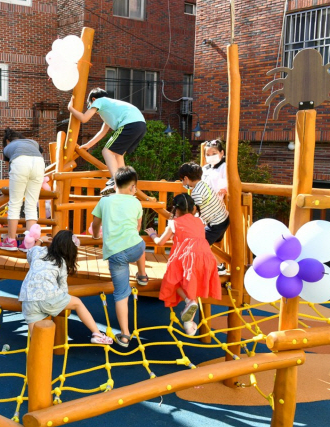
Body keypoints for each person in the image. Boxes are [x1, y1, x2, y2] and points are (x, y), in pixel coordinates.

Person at [145, 194, 221, 336]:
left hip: (187, 256)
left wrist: (152, 234)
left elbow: (160, 243)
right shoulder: (199, 221)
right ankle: (188, 324)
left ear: (175, 209)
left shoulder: (174, 223)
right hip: (205, 257)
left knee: (172, 280)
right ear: (193, 208)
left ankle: (188, 301)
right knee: (194, 285)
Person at [19, 230, 113, 344]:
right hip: (48, 297)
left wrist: (40, 240)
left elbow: (30, 251)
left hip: (27, 299)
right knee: (77, 303)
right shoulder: (61, 262)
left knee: (37, 341)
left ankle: (37, 358)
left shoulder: (38, 251)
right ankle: (97, 334)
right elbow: (63, 289)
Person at [90, 166, 147, 347]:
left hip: (116, 255)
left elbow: (96, 224)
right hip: (136, 249)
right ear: (132, 188)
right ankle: (143, 274)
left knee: (121, 293)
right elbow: (137, 228)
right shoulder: (136, 202)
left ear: (114, 185)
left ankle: (125, 334)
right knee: (139, 242)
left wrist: (96, 235)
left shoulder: (104, 201)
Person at [67, 88, 146, 196]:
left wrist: (70, 108)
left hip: (129, 123)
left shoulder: (99, 101)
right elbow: (103, 131)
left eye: (90, 105)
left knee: (106, 151)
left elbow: (84, 118)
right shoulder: (110, 108)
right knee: (118, 154)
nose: (91, 109)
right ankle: (124, 181)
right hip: (140, 125)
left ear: (93, 100)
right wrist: (88, 145)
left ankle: (116, 179)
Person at [0, 128, 44, 252]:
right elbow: (39, 152)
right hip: (39, 163)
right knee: (31, 205)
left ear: (7, 140)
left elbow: (9, 167)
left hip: (20, 163)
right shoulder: (32, 142)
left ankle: (11, 241)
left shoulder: (8, 147)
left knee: (15, 203)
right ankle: (29, 243)